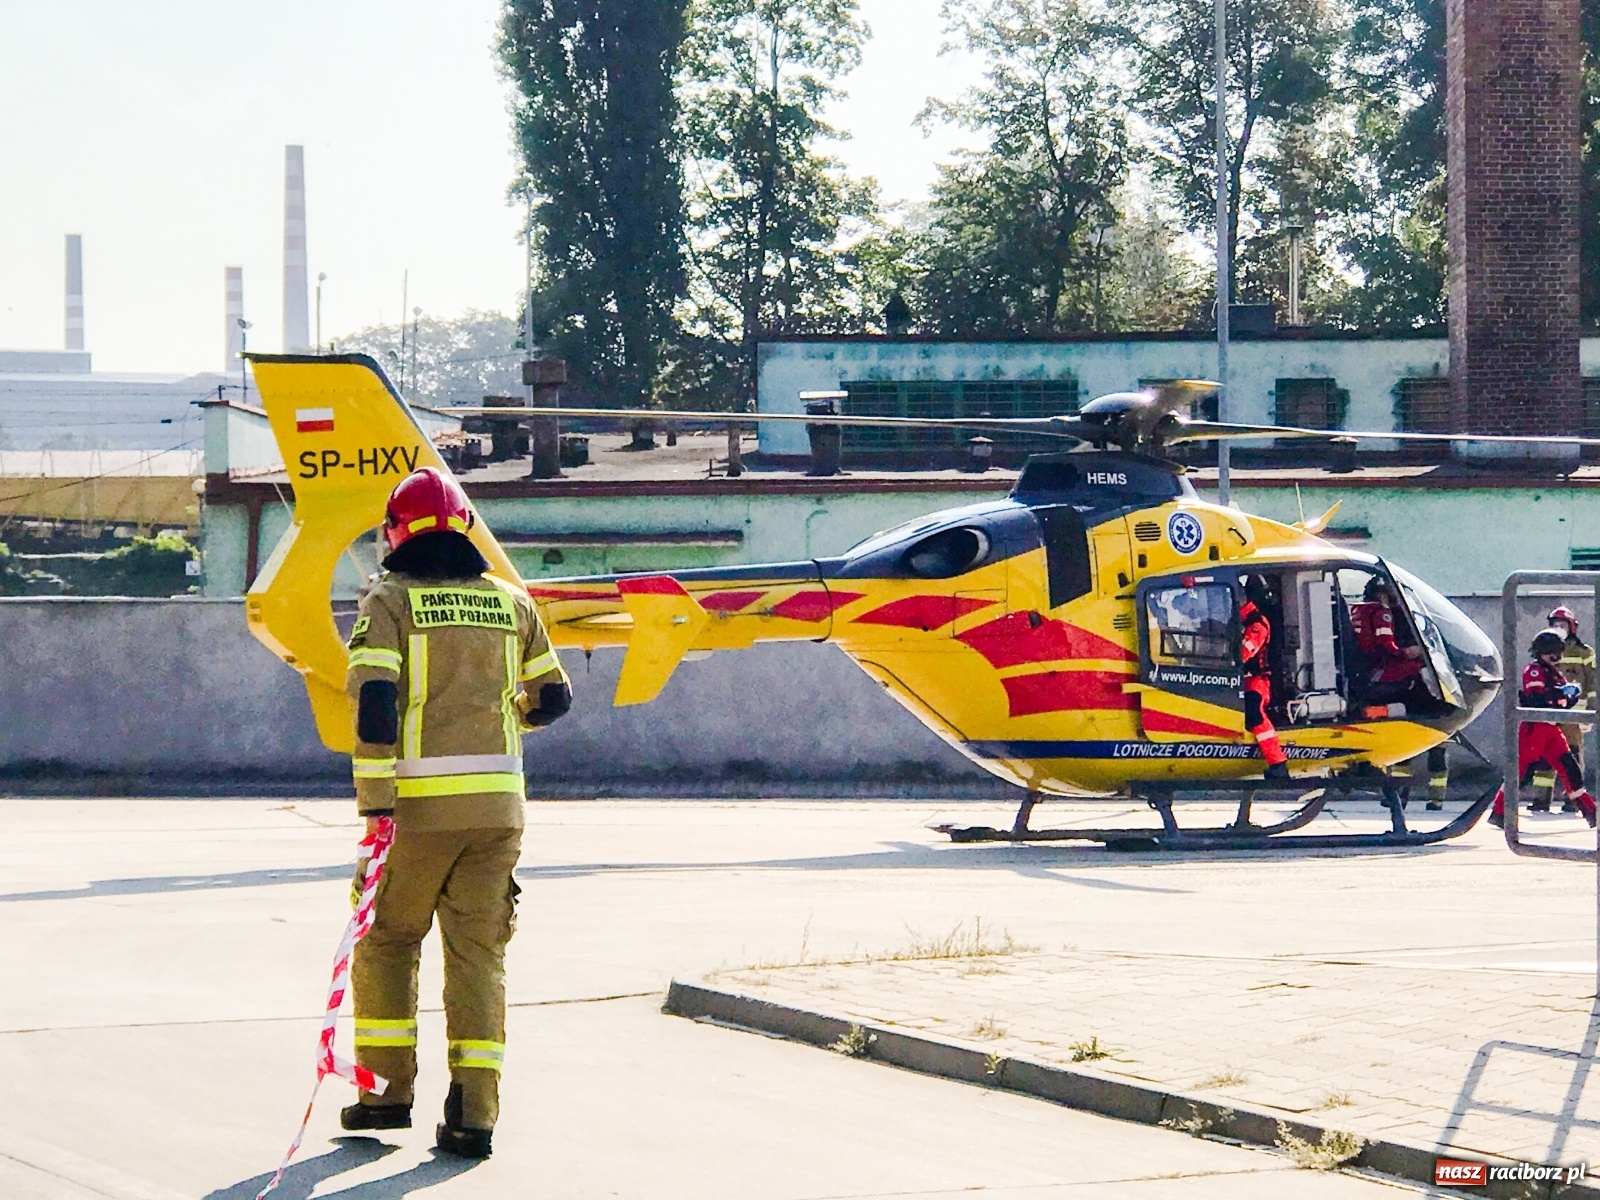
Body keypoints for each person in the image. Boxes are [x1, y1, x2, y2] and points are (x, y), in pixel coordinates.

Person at [339, 467, 573, 1158]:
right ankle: (475, 1114)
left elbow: (377, 711)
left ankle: (385, 1096)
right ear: (466, 529)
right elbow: (554, 699)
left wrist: (376, 809)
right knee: (478, 956)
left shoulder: (388, 601)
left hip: (415, 811)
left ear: (394, 533)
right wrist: (499, 727)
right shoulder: (511, 602)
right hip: (498, 810)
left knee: (388, 941)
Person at [1489, 629, 1597, 829]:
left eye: (1558, 652)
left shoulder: (1555, 674)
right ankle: (1499, 811)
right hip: (1534, 729)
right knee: (1519, 772)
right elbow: (1539, 699)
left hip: (1552, 729)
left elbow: (1564, 703)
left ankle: (1591, 813)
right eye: (1551, 652)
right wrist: (1561, 694)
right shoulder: (1534, 671)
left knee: (1570, 769)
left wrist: (1570, 695)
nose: (1556, 657)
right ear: (1540, 653)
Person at [1532, 606, 1595, 813]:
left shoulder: (1584, 652)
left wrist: (1591, 711)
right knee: (1545, 754)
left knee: (1572, 755)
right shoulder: (1545, 649)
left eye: (1563, 624)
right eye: (1555, 624)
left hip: (1574, 713)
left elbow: (1593, 682)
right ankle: (1541, 800)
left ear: (1572, 627)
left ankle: (1573, 800)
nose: (1559, 628)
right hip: (1550, 711)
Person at [1240, 576, 1290, 782]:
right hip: (1241, 679)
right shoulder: (1237, 620)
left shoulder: (1257, 624)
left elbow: (1243, 654)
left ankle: (1278, 763)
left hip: (1257, 681)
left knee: (1254, 711)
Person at [1350, 577, 1424, 699]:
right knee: (1420, 666)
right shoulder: (1381, 613)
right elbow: (1386, 647)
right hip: (1378, 669)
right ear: (1383, 593)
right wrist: (1408, 652)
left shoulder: (1359, 609)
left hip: (1364, 666)